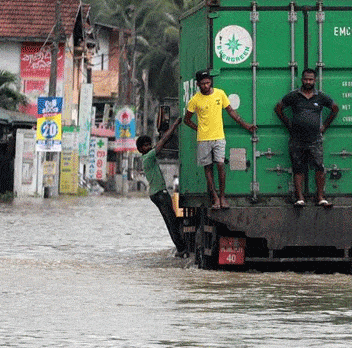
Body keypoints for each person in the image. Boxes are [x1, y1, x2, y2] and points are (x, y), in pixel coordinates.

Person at [184, 69, 257, 209]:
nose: (206, 85)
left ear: (210, 81)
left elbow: (231, 112)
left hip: (219, 137)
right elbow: (186, 120)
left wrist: (246, 125)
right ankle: (215, 198)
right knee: (208, 168)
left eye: (207, 82)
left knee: (220, 165)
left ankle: (223, 197)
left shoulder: (220, 94)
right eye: (203, 83)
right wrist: (198, 128)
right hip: (203, 139)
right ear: (198, 84)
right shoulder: (195, 100)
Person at [274, 68, 339, 207]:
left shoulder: (321, 97)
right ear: (302, 80)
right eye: (306, 79)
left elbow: (335, 108)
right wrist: (288, 124)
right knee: (298, 168)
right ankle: (300, 198)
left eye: (311, 79)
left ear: (315, 81)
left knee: (319, 168)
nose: (308, 82)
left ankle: (320, 197)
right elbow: (278, 108)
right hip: (297, 139)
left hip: (315, 139)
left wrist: (325, 126)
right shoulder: (294, 96)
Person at [136, 117, 187, 257]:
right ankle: (182, 249)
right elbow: (163, 142)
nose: (148, 147)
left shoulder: (147, 157)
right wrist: (175, 124)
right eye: (145, 146)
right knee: (172, 221)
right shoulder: (148, 157)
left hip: (156, 193)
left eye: (149, 144)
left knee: (171, 220)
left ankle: (180, 248)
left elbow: (160, 143)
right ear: (140, 149)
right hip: (160, 193)